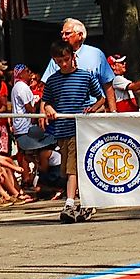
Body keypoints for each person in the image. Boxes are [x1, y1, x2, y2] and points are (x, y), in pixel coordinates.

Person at [43, 40, 103, 223]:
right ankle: (86, 201)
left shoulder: (85, 76)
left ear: (73, 57)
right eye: (59, 61)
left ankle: (69, 203)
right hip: (61, 129)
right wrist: (48, 109)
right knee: (67, 168)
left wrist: (93, 108)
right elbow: (46, 102)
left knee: (73, 168)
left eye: (66, 60)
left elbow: (101, 98)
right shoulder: (53, 80)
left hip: (80, 128)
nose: (63, 64)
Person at [42, 18, 115, 112]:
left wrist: (113, 111)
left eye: (67, 33)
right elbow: (46, 87)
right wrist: (43, 113)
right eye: (62, 34)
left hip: (91, 111)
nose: (64, 37)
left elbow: (107, 85)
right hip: (64, 113)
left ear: (80, 35)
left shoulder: (96, 54)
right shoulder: (56, 57)